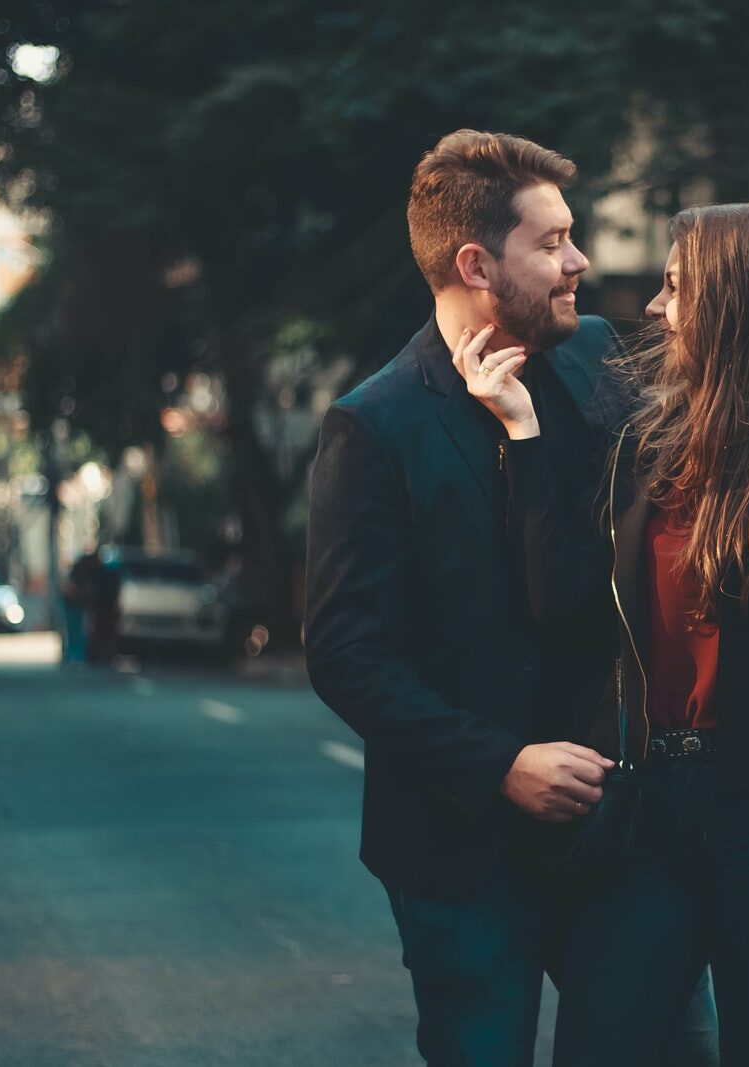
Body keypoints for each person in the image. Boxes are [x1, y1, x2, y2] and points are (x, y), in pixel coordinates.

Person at [459, 202, 749, 1066]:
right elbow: (563, 598)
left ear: (735, 303)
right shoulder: (645, 443)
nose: (658, 310)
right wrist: (519, 428)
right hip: (648, 813)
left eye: (677, 289)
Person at [304, 129, 715, 1066]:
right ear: (476, 263)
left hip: (620, 835)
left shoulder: (598, 356)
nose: (580, 263)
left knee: (676, 1052)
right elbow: (345, 653)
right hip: (460, 853)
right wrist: (500, 763)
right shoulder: (375, 425)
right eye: (554, 243)